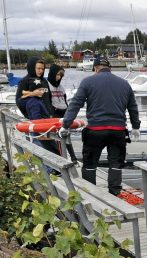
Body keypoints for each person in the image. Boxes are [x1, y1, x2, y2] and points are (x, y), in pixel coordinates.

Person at [59, 57, 140, 196]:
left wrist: (66, 124)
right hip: (118, 131)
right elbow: (132, 107)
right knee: (115, 163)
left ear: (95, 68)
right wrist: (136, 127)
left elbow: (75, 104)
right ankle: (115, 194)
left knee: (90, 165)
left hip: (95, 130)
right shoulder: (124, 83)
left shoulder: (88, 82)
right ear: (110, 68)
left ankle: (90, 194)